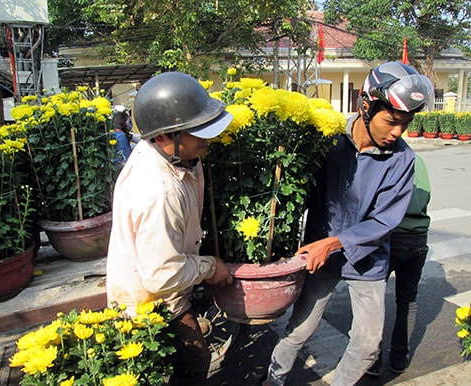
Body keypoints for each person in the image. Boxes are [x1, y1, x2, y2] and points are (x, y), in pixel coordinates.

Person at [263, 62, 434, 386]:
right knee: (299, 328)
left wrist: (336, 242)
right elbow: (302, 190)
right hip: (319, 254)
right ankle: (273, 380)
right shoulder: (327, 139)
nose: (398, 132)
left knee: (369, 344)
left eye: (406, 123)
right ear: (366, 106)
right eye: (392, 121)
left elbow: (384, 221)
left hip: (367, 260)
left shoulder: (402, 160)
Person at [106, 71, 234, 386]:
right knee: (194, 361)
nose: (207, 137)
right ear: (163, 136)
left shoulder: (182, 154)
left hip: (166, 277)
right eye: (197, 130)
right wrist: (209, 267)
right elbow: (161, 276)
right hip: (151, 298)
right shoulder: (158, 191)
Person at [366, 153, 431, 376]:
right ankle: (399, 358)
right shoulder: (418, 160)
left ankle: (372, 359)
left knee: (374, 297)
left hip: (392, 237)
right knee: (407, 300)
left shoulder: (390, 160)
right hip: (419, 237)